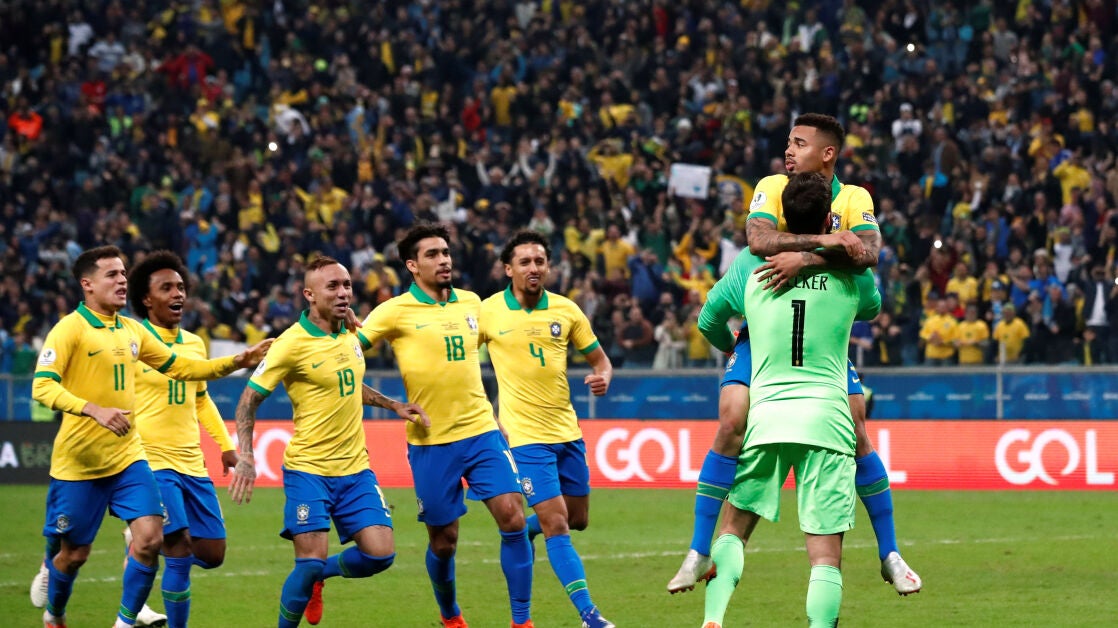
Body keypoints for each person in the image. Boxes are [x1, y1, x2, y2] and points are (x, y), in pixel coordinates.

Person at [670, 113, 921, 596]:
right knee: (731, 417)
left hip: (819, 335)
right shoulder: (771, 186)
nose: (789, 150)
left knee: (857, 424)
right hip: (764, 333)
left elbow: (869, 252)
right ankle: (699, 549)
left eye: (800, 143)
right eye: (789, 141)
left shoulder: (854, 197)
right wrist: (827, 243)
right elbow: (759, 241)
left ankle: (889, 552)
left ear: (828, 154)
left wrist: (803, 258)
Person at [31, 245, 271, 628]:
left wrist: (237, 361)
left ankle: (125, 622)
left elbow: (182, 369)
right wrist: (93, 409)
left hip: (130, 458)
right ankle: (55, 612)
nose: (121, 280)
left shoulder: (131, 331)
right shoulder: (69, 329)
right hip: (81, 462)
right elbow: (42, 386)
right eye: (112, 275)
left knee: (153, 541)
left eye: (123, 274)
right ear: (87, 284)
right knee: (74, 555)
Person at [699, 172, 883, 628]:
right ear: (827, 219)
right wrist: (828, 254)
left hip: (766, 419)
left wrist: (735, 351)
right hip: (827, 421)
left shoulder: (750, 271)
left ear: (780, 216)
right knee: (825, 557)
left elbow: (709, 319)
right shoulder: (852, 279)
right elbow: (873, 303)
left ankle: (713, 618)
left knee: (733, 529)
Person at [229, 256, 429, 628]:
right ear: (309, 294)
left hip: (356, 469)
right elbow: (247, 400)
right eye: (332, 286)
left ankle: (322, 577)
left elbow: (348, 384)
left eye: (347, 285)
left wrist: (392, 404)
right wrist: (246, 455)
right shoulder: (290, 344)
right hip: (309, 470)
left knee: (380, 555)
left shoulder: (350, 333)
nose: (343, 293)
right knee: (307, 564)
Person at [356, 223, 534, 628]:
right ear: (412, 265)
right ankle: (450, 614)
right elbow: (343, 359)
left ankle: (522, 622)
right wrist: (390, 403)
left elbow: (500, 349)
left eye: (446, 253)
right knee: (444, 541)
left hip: (481, 433)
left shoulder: (472, 303)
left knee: (513, 517)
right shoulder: (394, 311)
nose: (444, 260)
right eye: (433, 254)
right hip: (431, 442)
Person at [479, 230, 615, 628]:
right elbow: (461, 363)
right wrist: (487, 412)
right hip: (523, 437)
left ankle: (523, 529)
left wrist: (603, 377)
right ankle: (589, 615)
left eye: (539, 261)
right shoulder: (488, 312)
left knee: (577, 518)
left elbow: (601, 360)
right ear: (508, 269)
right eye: (524, 262)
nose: (533, 268)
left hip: (567, 432)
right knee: (557, 524)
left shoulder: (566, 310)